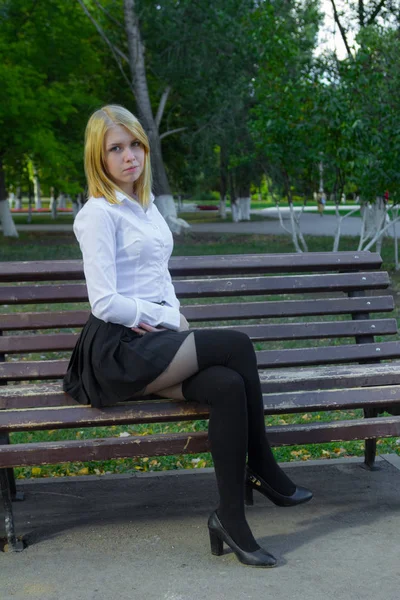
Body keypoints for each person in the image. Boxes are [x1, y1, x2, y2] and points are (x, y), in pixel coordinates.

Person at [63, 105, 312, 568]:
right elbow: (103, 302)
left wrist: (174, 317)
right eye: (115, 149)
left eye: (134, 144)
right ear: (99, 158)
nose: (129, 156)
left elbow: (162, 276)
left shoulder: (149, 208)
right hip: (117, 351)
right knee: (236, 345)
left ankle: (229, 520)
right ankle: (265, 468)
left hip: (152, 342)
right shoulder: (98, 214)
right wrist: (160, 317)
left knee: (228, 386)